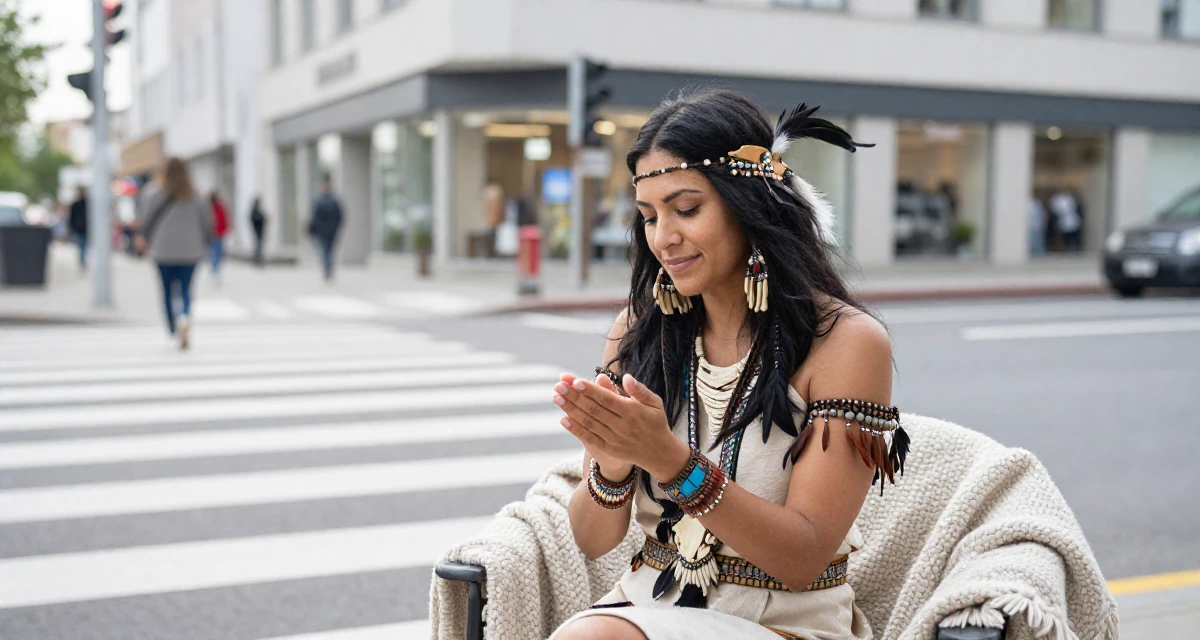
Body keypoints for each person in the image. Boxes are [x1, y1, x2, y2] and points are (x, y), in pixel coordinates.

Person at [550, 90, 909, 640]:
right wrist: (613, 465)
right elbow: (592, 540)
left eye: (686, 209)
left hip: (785, 623)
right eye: (649, 216)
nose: (664, 238)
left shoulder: (846, 342)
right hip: (642, 606)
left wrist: (669, 460)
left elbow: (803, 557)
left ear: (750, 205)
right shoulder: (637, 330)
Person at [134, 158, 212, 350]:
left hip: (163, 251)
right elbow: (207, 223)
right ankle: (184, 318)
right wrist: (206, 244)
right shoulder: (196, 195)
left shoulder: (155, 194)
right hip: (191, 251)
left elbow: (145, 221)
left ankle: (172, 327)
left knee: (167, 291)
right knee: (186, 290)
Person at [308, 174, 343, 282]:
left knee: (328, 250)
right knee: (326, 251)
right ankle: (328, 270)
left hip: (329, 231)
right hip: (324, 231)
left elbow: (339, 216)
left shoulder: (330, 200)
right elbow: (315, 217)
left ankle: (328, 270)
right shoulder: (323, 200)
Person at [1049, 188, 1082, 253]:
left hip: (1071, 222)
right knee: (1065, 238)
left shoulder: (1070, 199)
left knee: (1073, 237)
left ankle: (1073, 249)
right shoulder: (1058, 199)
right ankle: (1065, 249)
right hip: (1064, 222)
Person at [209, 191, 230, 284]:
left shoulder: (209, 208)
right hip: (217, 234)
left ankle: (214, 269)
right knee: (217, 253)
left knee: (214, 252)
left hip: (214, 234)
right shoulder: (219, 208)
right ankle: (215, 269)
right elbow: (223, 220)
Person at [68, 187, 88, 270]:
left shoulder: (87, 204)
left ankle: (82, 261)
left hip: (85, 229)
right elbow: (71, 217)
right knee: (82, 246)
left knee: (83, 246)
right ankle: (82, 261)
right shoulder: (76, 205)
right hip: (80, 228)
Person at [250, 196, 267, 267]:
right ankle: (257, 260)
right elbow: (255, 219)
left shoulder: (258, 210)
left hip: (259, 231)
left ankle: (258, 260)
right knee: (258, 246)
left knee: (259, 246)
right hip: (257, 230)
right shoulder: (255, 210)